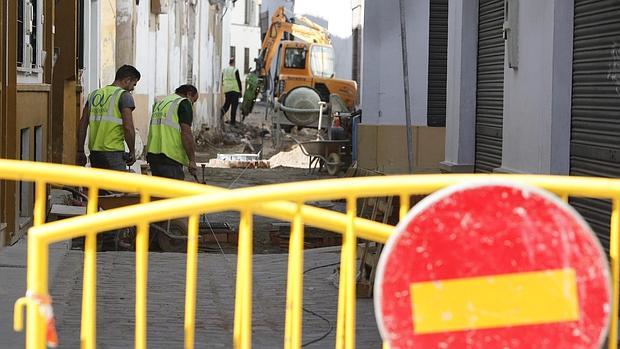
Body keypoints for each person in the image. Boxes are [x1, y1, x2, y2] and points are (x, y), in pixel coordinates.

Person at [77, 65, 141, 170]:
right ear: (127, 80)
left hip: (95, 154)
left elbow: (83, 124)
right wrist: (132, 152)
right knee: (116, 186)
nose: (133, 89)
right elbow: (128, 128)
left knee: (100, 185)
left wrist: (80, 150)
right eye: (133, 84)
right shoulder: (124, 96)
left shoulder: (94, 95)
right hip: (114, 154)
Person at [146, 84, 199, 180]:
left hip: (153, 155)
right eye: (193, 101)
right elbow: (186, 133)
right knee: (173, 192)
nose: (192, 104)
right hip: (171, 156)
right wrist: (192, 160)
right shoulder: (183, 103)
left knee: (159, 192)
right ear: (189, 94)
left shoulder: (161, 103)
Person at [221, 57, 243, 125]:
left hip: (227, 89)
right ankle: (232, 122)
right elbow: (238, 80)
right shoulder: (235, 69)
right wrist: (240, 90)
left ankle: (219, 115)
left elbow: (222, 79)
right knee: (234, 106)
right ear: (233, 63)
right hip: (234, 90)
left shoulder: (224, 70)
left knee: (226, 104)